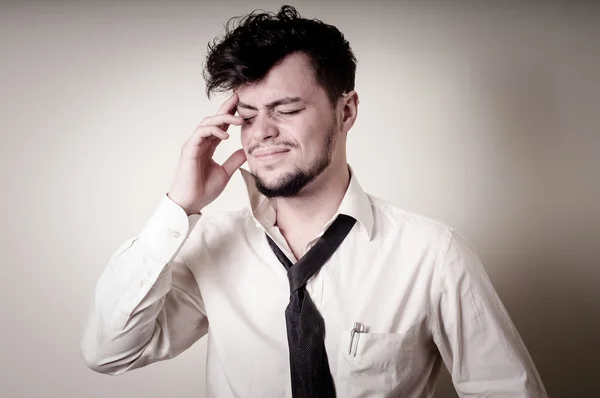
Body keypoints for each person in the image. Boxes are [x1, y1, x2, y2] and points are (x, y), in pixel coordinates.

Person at [80, 5, 548, 398]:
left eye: (285, 110)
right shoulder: (214, 248)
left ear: (346, 111)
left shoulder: (432, 253)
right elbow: (109, 352)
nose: (261, 132)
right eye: (246, 116)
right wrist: (179, 207)